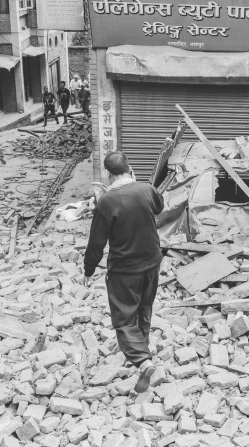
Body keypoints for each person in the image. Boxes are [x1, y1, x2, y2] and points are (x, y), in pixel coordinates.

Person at [84, 151, 165, 393]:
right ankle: (143, 346)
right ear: (130, 168)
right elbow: (159, 208)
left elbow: (96, 241)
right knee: (144, 307)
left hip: (124, 270)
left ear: (108, 175)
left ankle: (143, 361)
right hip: (152, 262)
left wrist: (89, 269)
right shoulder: (146, 190)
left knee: (123, 318)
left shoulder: (107, 202)